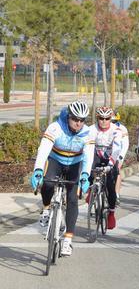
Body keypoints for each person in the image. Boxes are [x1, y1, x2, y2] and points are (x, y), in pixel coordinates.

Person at [30, 101, 95, 256]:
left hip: (75, 164)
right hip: (55, 160)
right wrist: (38, 169)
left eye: (82, 120)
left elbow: (88, 156)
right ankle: (46, 209)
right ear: (68, 117)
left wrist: (85, 175)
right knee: (47, 183)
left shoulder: (88, 132)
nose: (78, 123)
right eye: (75, 119)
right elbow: (44, 149)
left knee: (72, 199)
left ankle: (67, 240)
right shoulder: (55, 127)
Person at [88, 106, 123, 230]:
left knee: (110, 186)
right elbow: (88, 148)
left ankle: (111, 213)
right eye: (101, 118)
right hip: (97, 156)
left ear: (110, 119)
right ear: (97, 118)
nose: (103, 121)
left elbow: (117, 149)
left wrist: (110, 165)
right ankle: (91, 190)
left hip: (110, 158)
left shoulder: (116, 130)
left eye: (107, 118)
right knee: (89, 168)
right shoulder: (91, 129)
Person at [111, 110, 129, 206]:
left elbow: (125, 145)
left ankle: (116, 193)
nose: (111, 123)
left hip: (117, 154)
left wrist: (121, 156)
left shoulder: (122, 129)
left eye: (114, 122)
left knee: (116, 172)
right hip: (106, 154)